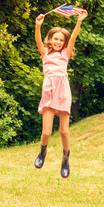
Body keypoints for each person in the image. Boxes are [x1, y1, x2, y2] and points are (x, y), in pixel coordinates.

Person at [34, 11, 87, 178]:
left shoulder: (65, 54)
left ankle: (65, 159)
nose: (58, 41)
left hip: (63, 91)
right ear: (49, 40)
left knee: (64, 131)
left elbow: (73, 39)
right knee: (46, 133)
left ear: (64, 43)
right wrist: (38, 25)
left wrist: (78, 22)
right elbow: (37, 40)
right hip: (49, 91)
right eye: (55, 38)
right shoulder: (45, 54)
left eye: (61, 40)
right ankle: (43, 152)